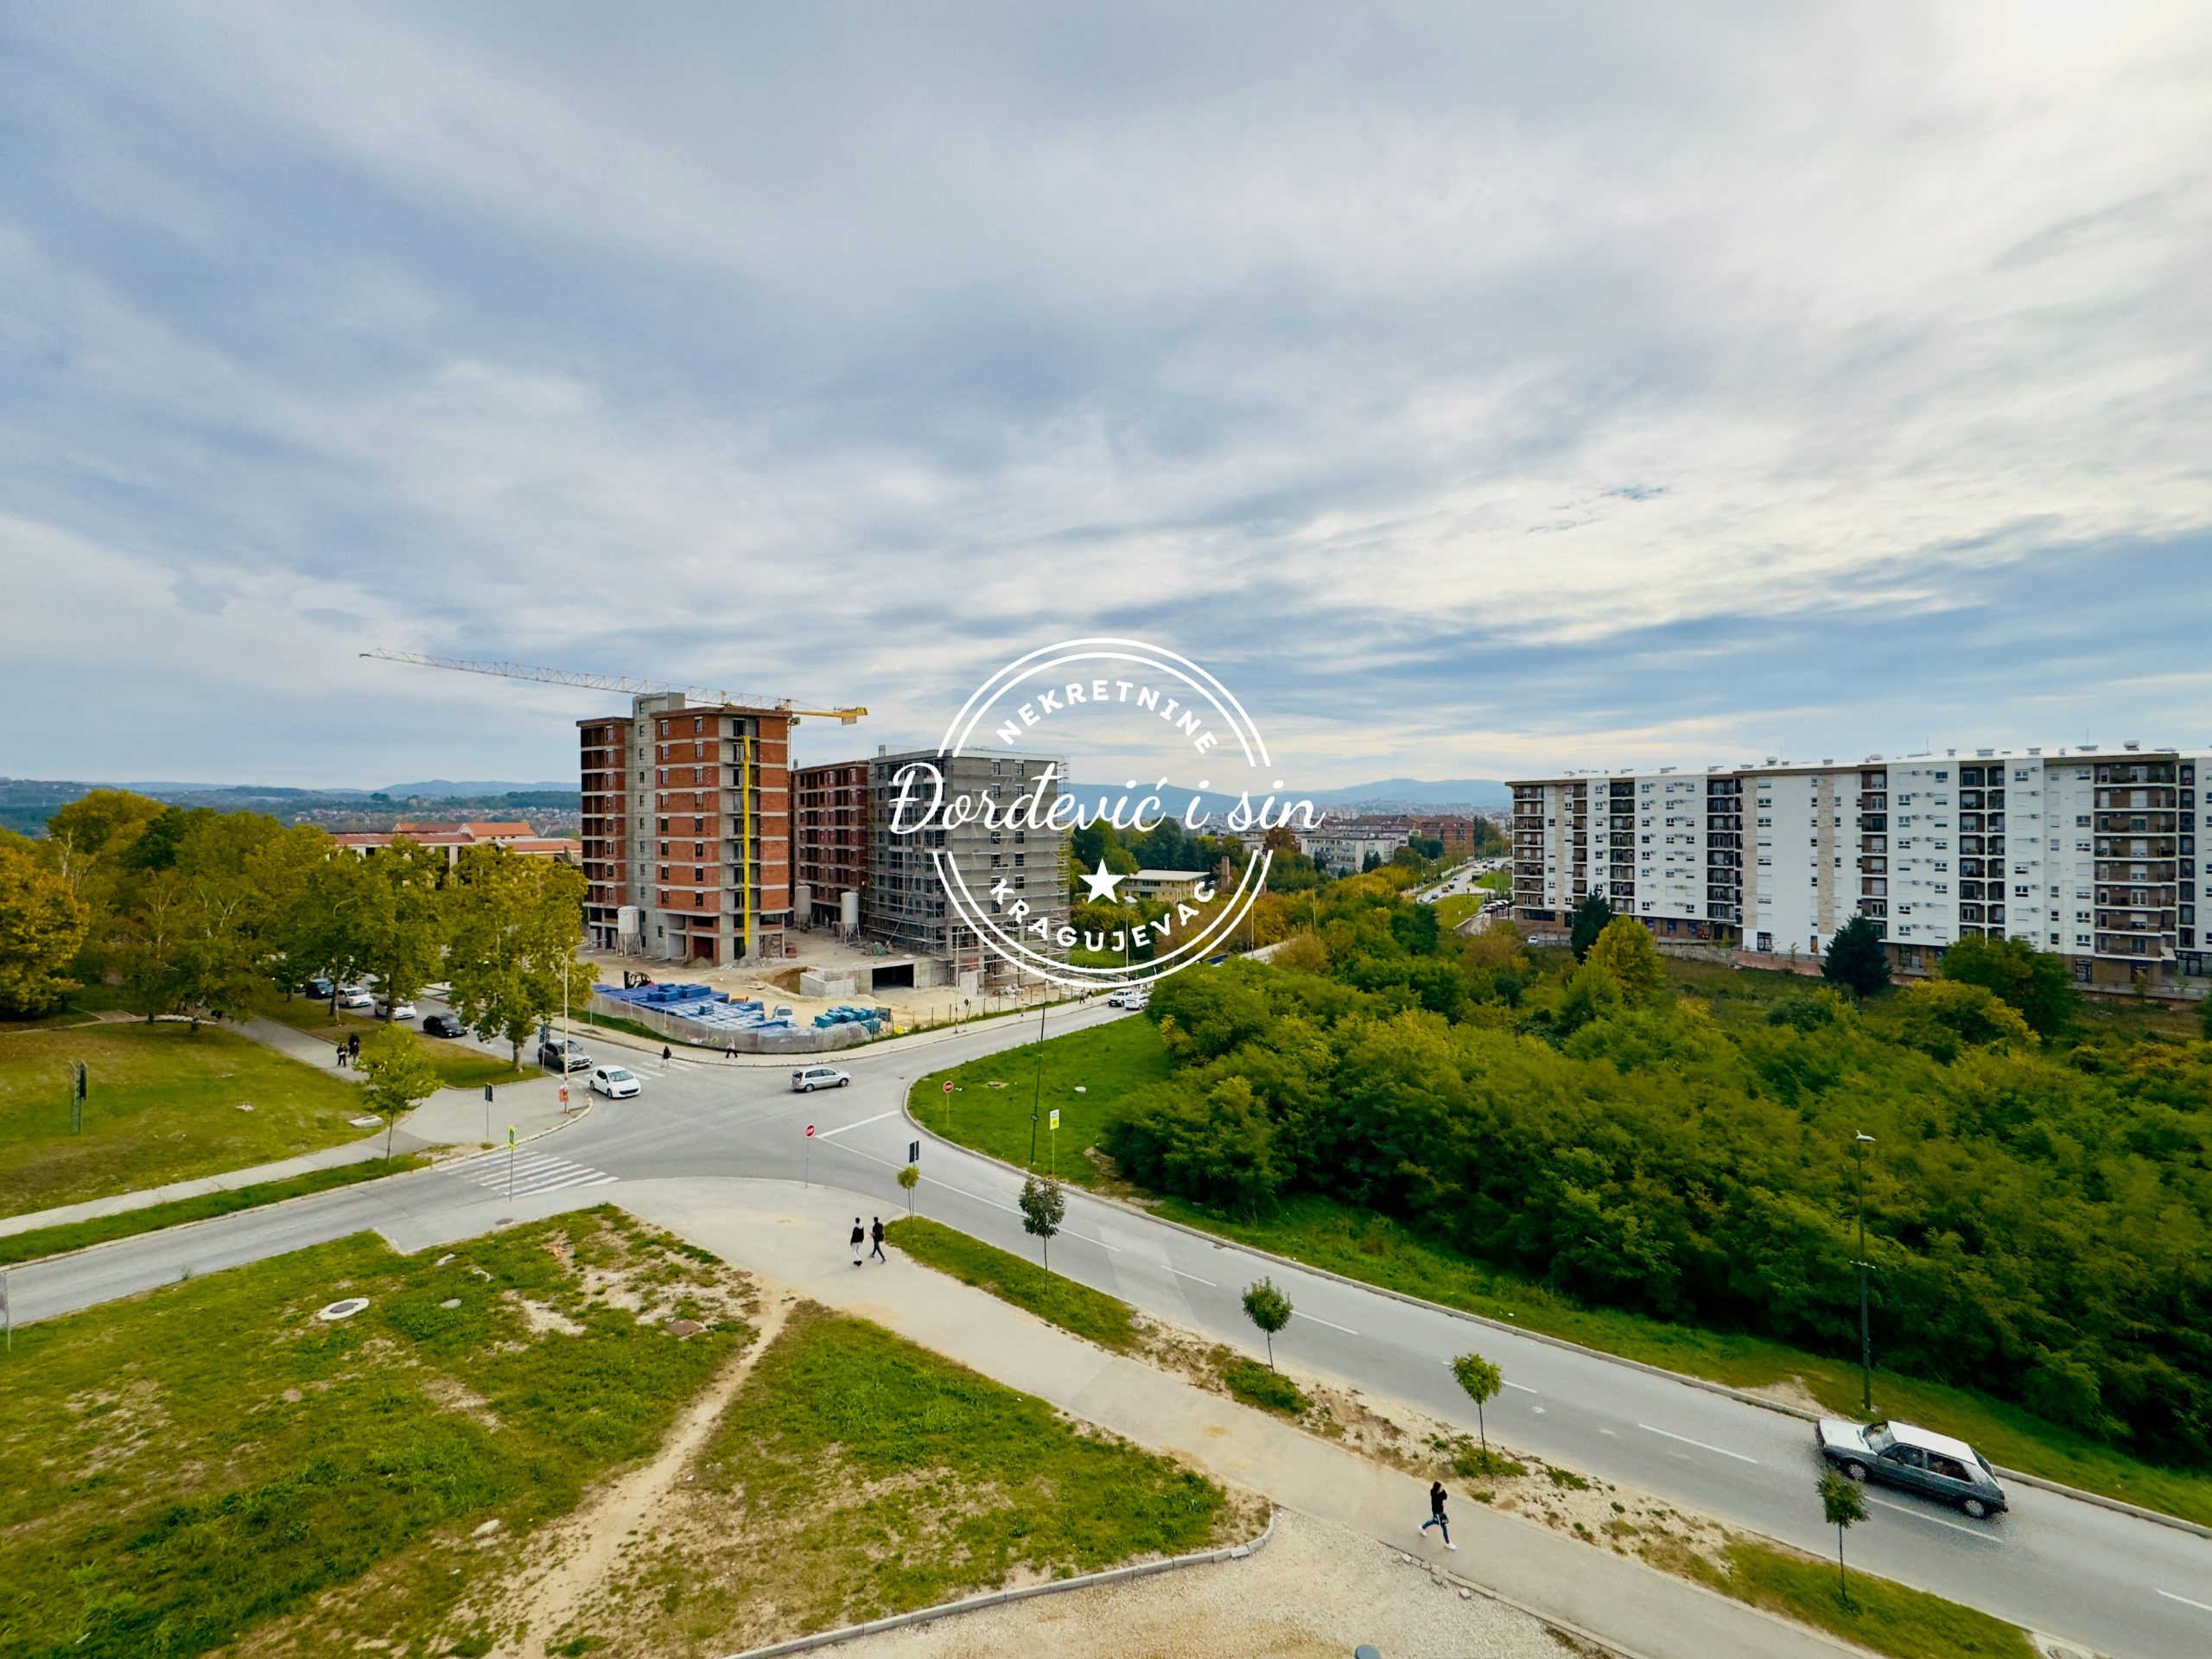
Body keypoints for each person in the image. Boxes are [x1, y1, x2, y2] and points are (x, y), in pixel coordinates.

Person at [1420, 1480, 1456, 1550]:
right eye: (1441, 1487)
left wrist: (1443, 1496)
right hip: (1437, 1513)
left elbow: (1445, 1497)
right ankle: (1447, 1543)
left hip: (1439, 1512)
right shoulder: (1435, 1495)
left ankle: (1422, 1527)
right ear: (1438, 1488)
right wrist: (1442, 1503)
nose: (1442, 1488)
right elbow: (1439, 1502)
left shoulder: (1440, 1492)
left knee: (1433, 1521)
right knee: (1444, 1527)